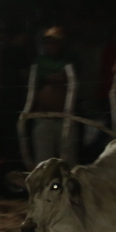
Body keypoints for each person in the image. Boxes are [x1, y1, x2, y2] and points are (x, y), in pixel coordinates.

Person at [30, 27, 77, 165]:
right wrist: (51, 77)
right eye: (49, 43)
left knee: (68, 162)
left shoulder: (69, 59)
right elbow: (37, 77)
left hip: (65, 118)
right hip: (44, 118)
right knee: (44, 162)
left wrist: (54, 77)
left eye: (56, 42)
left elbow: (68, 75)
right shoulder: (39, 61)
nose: (52, 46)